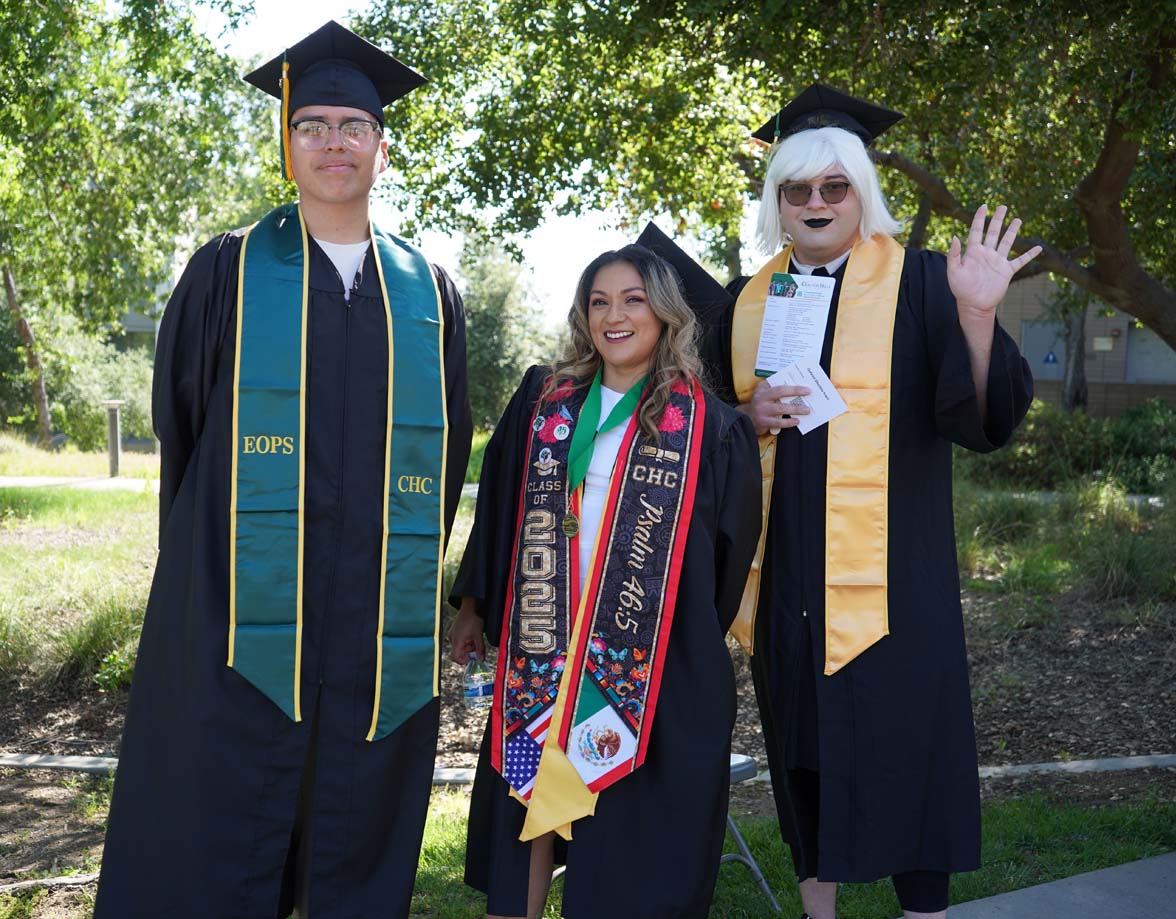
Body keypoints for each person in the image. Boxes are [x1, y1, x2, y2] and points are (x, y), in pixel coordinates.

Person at [94, 21, 471, 919]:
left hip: (374, 608)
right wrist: (208, 562)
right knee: (218, 819)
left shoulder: (429, 293)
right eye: (313, 126)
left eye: (351, 126)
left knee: (354, 810)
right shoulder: (228, 269)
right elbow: (183, 432)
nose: (333, 143)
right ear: (288, 144)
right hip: (237, 599)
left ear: (383, 146)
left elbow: (446, 452)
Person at [701, 84, 1040, 919]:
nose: (815, 203)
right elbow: (705, 427)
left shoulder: (926, 283)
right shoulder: (745, 302)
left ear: (863, 192)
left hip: (899, 580)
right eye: (796, 189)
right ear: (777, 201)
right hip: (788, 583)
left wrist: (978, 313)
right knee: (804, 752)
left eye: (834, 187)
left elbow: (982, 419)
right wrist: (742, 418)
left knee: (908, 753)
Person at [447, 240, 761, 919]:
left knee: (627, 839)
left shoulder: (708, 425)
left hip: (651, 663)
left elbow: (729, 559)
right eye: (598, 301)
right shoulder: (545, 400)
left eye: (632, 299)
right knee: (527, 805)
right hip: (543, 644)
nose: (613, 316)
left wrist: (674, 633)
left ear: (666, 314)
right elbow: (498, 508)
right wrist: (473, 607)